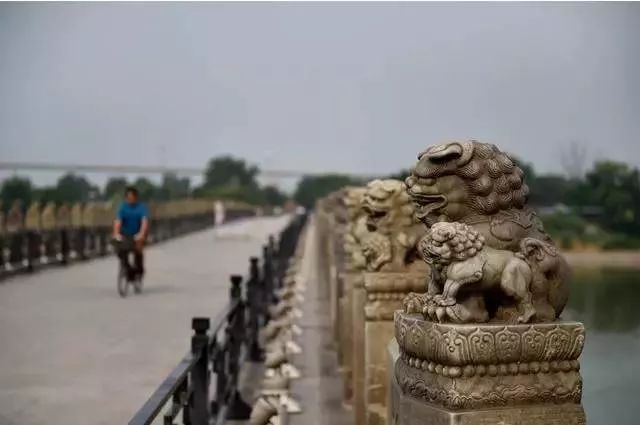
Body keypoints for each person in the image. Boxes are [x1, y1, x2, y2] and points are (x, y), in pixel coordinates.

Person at [112, 186, 149, 280]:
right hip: (126, 234)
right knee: (120, 249)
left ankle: (139, 269)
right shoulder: (123, 208)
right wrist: (116, 233)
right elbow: (118, 222)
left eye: (132, 198)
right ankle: (128, 269)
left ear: (136, 198)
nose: (130, 200)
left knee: (138, 249)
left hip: (138, 233)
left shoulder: (141, 208)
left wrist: (141, 234)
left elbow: (144, 222)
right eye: (128, 198)